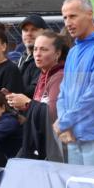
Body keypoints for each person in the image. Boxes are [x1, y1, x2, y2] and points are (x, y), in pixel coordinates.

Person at [55, 0, 94, 167]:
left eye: (73, 16)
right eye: (65, 17)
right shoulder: (73, 52)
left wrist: (64, 122)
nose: (67, 22)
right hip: (73, 135)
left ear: (90, 14)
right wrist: (65, 123)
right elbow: (64, 92)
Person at [12, 31, 67, 161]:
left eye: (44, 49)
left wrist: (28, 103)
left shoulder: (59, 76)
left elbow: (53, 114)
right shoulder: (43, 74)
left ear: (57, 54)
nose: (37, 54)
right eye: (35, 49)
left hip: (55, 148)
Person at [14, 14, 47, 96]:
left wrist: (11, 91)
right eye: (25, 30)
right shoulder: (21, 59)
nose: (29, 33)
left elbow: (36, 89)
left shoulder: (47, 59)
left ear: (44, 32)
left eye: (34, 29)